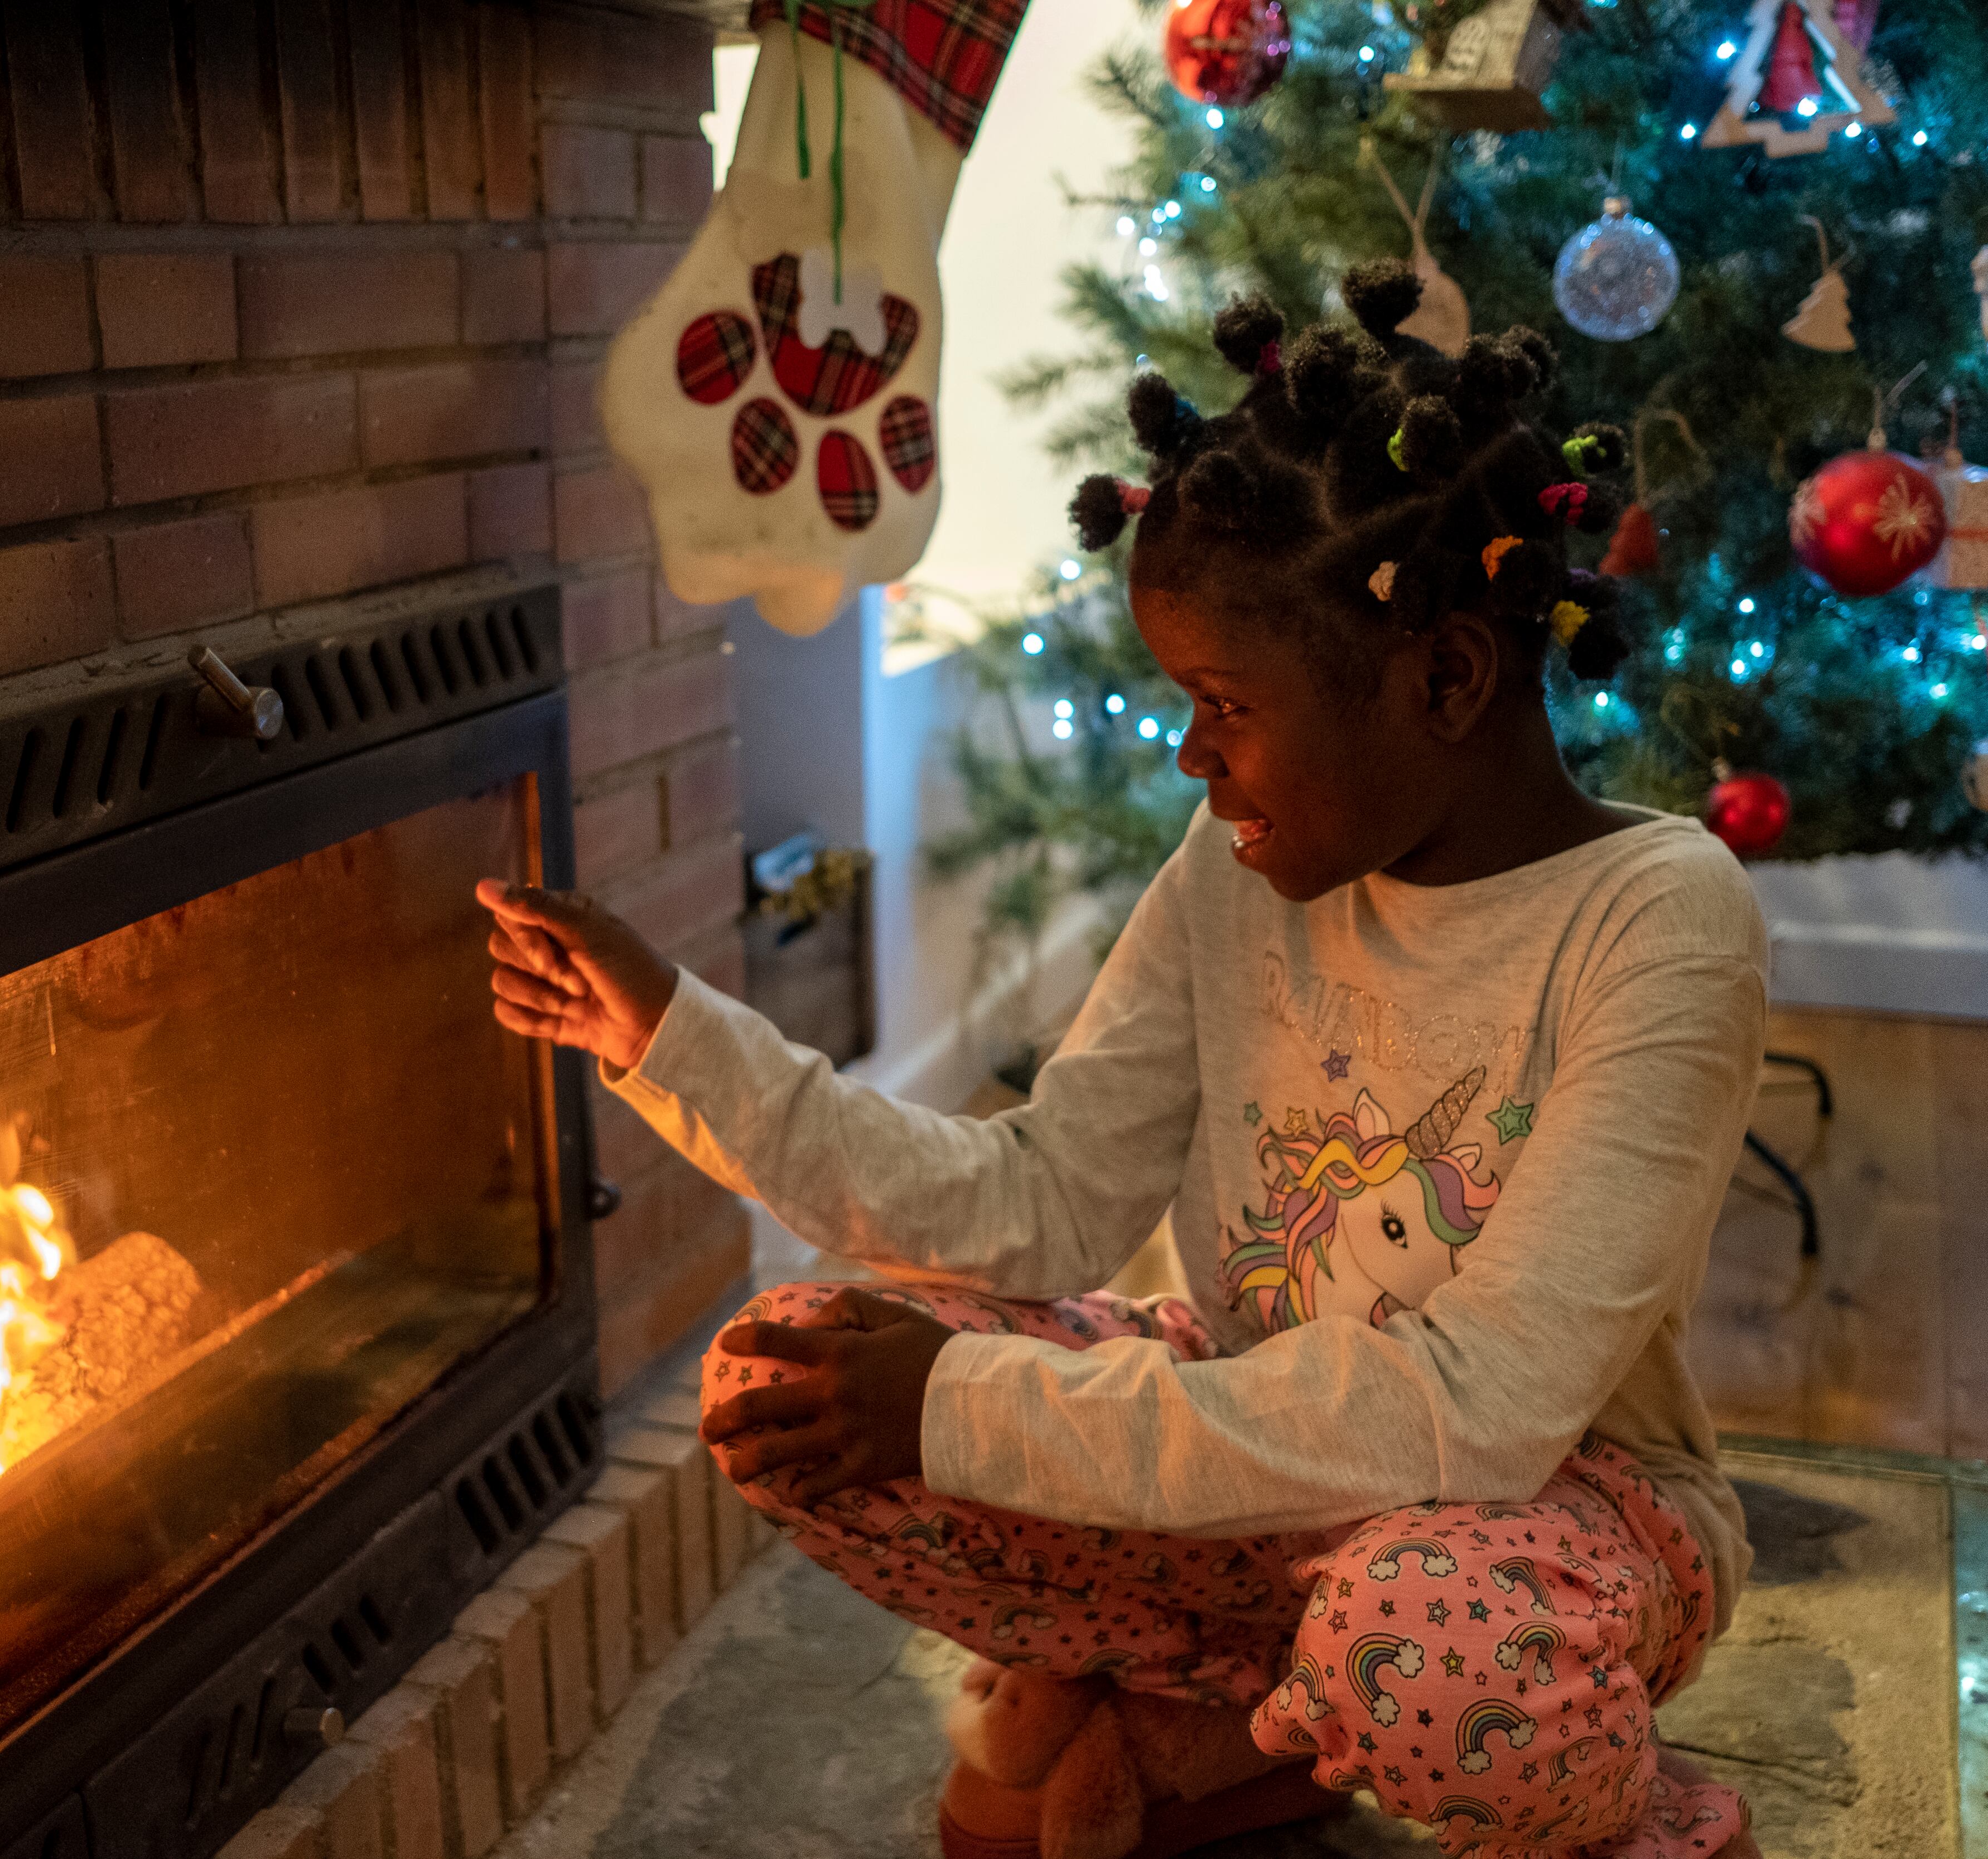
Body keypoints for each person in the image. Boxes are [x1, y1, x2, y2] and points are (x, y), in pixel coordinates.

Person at [480, 261, 1765, 1859]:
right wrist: (676, 1038)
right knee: (789, 1372)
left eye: (1224, 701)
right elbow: (1041, 1195)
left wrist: (969, 1407)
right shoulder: (1239, 870)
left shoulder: (1658, 921)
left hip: (1561, 1516)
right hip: (1260, 1451)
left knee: (1431, 1656)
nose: (1188, 751)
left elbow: (1484, 1412)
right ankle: (1250, 1714)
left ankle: (1623, 1810)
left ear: (1444, 678)